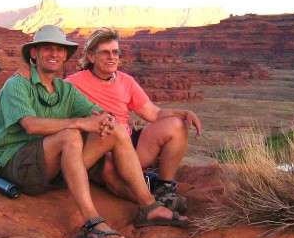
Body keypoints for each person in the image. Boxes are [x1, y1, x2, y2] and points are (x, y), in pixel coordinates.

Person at [0, 25, 189, 238]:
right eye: (47, 48)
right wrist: (81, 122)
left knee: (114, 129)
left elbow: (99, 113)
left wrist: (105, 121)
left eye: (60, 49)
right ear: (34, 53)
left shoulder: (64, 90)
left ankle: (148, 206)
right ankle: (92, 222)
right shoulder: (17, 84)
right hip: (17, 165)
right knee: (70, 135)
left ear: (65, 55)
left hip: (51, 169)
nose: (54, 54)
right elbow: (30, 125)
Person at [66, 28, 202, 211]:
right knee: (108, 166)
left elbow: (153, 114)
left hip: (129, 146)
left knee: (176, 126)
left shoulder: (126, 81)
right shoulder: (73, 83)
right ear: (91, 57)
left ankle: (164, 189)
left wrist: (182, 113)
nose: (112, 57)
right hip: (101, 148)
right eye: (105, 53)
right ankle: (151, 203)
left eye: (115, 52)